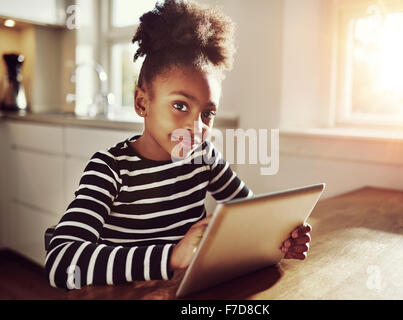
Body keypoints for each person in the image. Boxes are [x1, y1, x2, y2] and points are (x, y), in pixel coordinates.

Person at [45, 0, 311, 289]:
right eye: (180, 105)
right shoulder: (110, 169)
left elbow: (252, 214)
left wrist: (280, 236)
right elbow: (61, 263)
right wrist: (171, 256)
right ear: (141, 102)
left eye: (207, 113)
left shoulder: (204, 159)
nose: (197, 128)